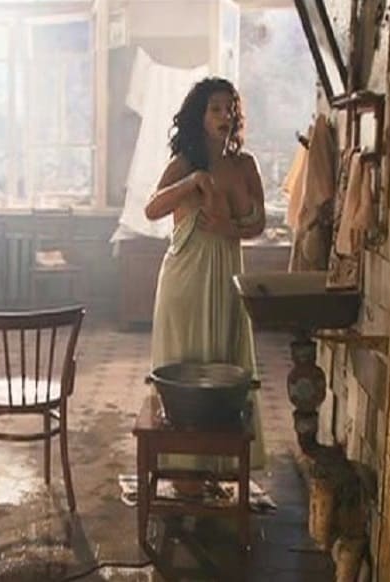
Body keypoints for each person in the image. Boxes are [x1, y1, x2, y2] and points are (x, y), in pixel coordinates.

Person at [145, 77, 267, 488]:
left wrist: (232, 227)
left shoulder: (245, 165)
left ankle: (216, 466)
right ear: (200, 116)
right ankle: (185, 472)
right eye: (216, 108)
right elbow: (151, 209)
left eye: (230, 108)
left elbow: (259, 224)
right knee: (187, 363)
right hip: (187, 278)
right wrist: (193, 182)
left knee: (223, 361)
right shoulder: (185, 163)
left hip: (228, 275)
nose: (225, 115)